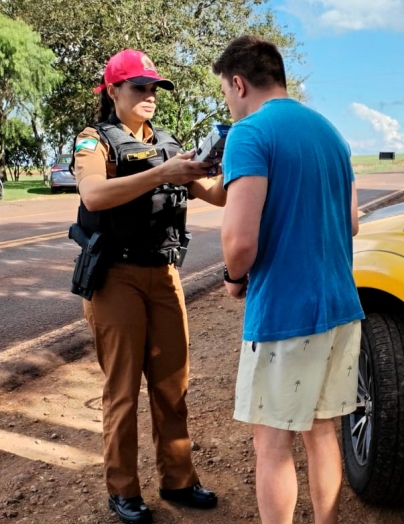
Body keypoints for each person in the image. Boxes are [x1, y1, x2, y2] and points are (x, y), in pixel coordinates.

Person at [213, 36, 365, 524]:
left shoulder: (250, 134)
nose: (229, 103)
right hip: (341, 307)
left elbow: (239, 241)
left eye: (225, 92)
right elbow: (353, 220)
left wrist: (234, 278)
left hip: (284, 313)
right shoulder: (330, 133)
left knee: (272, 442)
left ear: (238, 83)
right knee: (322, 433)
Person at [72, 49, 224, 524]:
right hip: (115, 277)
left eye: (154, 88)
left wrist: (233, 165)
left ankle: (178, 481)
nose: (149, 96)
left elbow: (216, 196)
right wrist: (163, 172)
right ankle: (123, 491)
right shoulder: (94, 140)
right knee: (122, 391)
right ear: (112, 91)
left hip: (164, 275)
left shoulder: (168, 144)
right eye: (139, 87)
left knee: (172, 386)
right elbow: (93, 194)